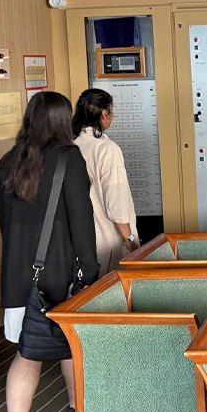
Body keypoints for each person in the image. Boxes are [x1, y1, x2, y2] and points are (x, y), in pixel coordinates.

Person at [0, 92, 98, 412]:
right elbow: (81, 221)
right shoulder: (68, 158)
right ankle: (76, 411)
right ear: (60, 120)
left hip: (17, 278)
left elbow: (5, 226)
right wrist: (90, 272)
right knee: (70, 343)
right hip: (59, 274)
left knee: (28, 351)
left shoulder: (7, 163)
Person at [73, 89, 139, 274]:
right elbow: (116, 206)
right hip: (110, 244)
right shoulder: (107, 149)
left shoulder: (72, 144)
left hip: (82, 244)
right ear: (104, 113)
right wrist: (132, 243)